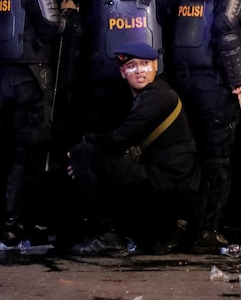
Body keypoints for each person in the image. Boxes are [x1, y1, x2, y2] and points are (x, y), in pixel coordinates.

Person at [0, 0, 73, 245]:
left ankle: (2, 218)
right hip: (31, 77)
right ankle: (15, 221)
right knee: (29, 152)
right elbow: (50, 28)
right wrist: (68, 14)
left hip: (0, 75)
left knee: (3, 151)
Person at [68, 43, 200, 256]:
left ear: (156, 66)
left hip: (169, 186)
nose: (139, 71)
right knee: (89, 159)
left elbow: (118, 139)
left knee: (82, 153)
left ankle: (109, 237)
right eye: (132, 66)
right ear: (123, 72)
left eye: (145, 64)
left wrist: (85, 148)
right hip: (166, 183)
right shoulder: (148, 96)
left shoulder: (158, 96)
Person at [171, 0, 241, 253]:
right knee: (217, 161)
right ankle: (207, 231)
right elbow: (226, 34)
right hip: (215, 86)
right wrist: (238, 79)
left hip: (183, 81)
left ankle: (183, 226)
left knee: (189, 159)